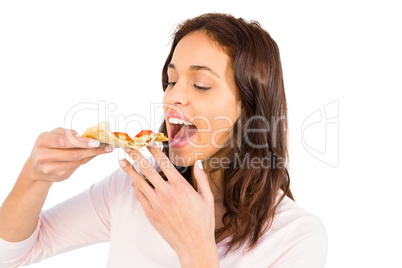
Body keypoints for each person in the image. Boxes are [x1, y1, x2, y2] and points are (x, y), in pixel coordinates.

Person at [0, 13, 327, 267]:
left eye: (200, 84)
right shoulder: (135, 188)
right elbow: (12, 255)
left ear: (249, 107)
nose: (173, 97)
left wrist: (195, 248)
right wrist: (33, 178)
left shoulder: (296, 237)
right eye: (170, 81)